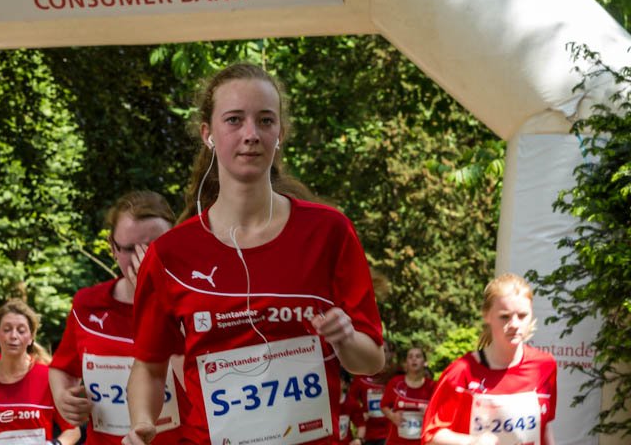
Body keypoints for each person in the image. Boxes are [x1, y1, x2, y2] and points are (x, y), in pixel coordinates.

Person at [125, 62, 385, 444]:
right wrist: (141, 423)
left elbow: (372, 360)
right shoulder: (170, 254)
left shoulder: (329, 231)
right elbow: (148, 365)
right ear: (208, 134)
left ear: (280, 133)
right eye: (234, 120)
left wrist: (345, 338)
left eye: (265, 121)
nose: (251, 134)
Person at [49, 191, 186, 443]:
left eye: (155, 246)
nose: (143, 257)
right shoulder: (87, 304)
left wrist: (161, 298)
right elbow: (61, 367)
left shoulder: (195, 302)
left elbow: (205, 379)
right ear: (113, 247)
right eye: (130, 248)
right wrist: (63, 397)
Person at [421, 274, 557, 445]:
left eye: (522, 316)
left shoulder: (545, 366)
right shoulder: (461, 372)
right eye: (504, 316)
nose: (514, 324)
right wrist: (472, 442)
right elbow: (431, 436)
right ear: (487, 315)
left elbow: (545, 427)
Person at [0, 299, 81, 445]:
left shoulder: (48, 379)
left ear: (31, 337)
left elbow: (72, 431)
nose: (13, 336)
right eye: (6, 329)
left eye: (21, 330)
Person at [381, 346, 436, 444]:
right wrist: (392, 416)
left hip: (423, 441)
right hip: (396, 441)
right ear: (406, 363)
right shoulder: (395, 382)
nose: (414, 359)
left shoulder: (433, 386)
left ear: (425, 362)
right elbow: (384, 405)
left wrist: (430, 414)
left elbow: (441, 413)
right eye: (410, 357)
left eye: (418, 356)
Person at [349, 341, 398, 445]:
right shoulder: (361, 377)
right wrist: (360, 413)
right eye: (378, 351)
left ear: (391, 354)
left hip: (391, 433)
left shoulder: (396, 377)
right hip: (369, 435)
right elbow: (350, 401)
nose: (381, 354)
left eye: (384, 351)